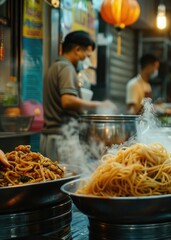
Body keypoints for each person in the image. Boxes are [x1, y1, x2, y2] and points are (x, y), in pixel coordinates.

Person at [41, 31, 116, 162]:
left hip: (52, 137)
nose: (86, 61)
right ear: (77, 49)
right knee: (65, 177)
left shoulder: (55, 66)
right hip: (62, 138)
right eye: (86, 56)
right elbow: (68, 101)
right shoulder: (66, 68)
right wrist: (101, 105)